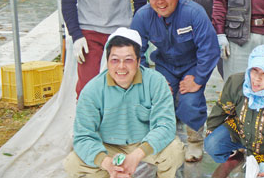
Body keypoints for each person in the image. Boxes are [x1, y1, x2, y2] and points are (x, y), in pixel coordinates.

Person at [64, 27, 185, 178]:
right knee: (73, 163)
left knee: (174, 151)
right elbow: (83, 136)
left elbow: (165, 126)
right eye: (114, 60)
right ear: (107, 62)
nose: (121, 67)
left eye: (128, 60)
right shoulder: (92, 90)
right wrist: (107, 163)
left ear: (139, 61)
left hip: (143, 143)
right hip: (107, 146)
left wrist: (136, 156)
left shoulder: (156, 82)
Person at [130, 0, 220, 163]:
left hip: (192, 64)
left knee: (190, 99)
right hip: (165, 65)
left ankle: (195, 141)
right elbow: (134, 51)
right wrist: (150, 79)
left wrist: (198, 78)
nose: (160, 1)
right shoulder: (143, 16)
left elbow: (210, 48)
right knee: (159, 98)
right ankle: (165, 141)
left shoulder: (193, 12)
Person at [204, 45, 264, 178]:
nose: (257, 78)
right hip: (240, 132)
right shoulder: (237, 83)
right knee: (212, 144)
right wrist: (211, 132)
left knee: (263, 174)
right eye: (254, 70)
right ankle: (236, 157)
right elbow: (221, 109)